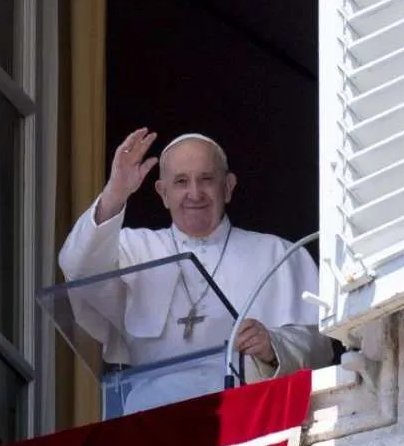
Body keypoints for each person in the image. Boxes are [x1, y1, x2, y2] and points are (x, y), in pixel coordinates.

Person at [59, 128, 332, 414]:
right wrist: (115, 192)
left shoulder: (279, 255)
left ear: (227, 186)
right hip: (151, 420)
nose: (194, 193)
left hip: (246, 417)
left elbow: (320, 345)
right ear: (163, 193)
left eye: (206, 179)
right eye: (180, 182)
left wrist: (274, 347)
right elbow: (77, 267)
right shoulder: (132, 249)